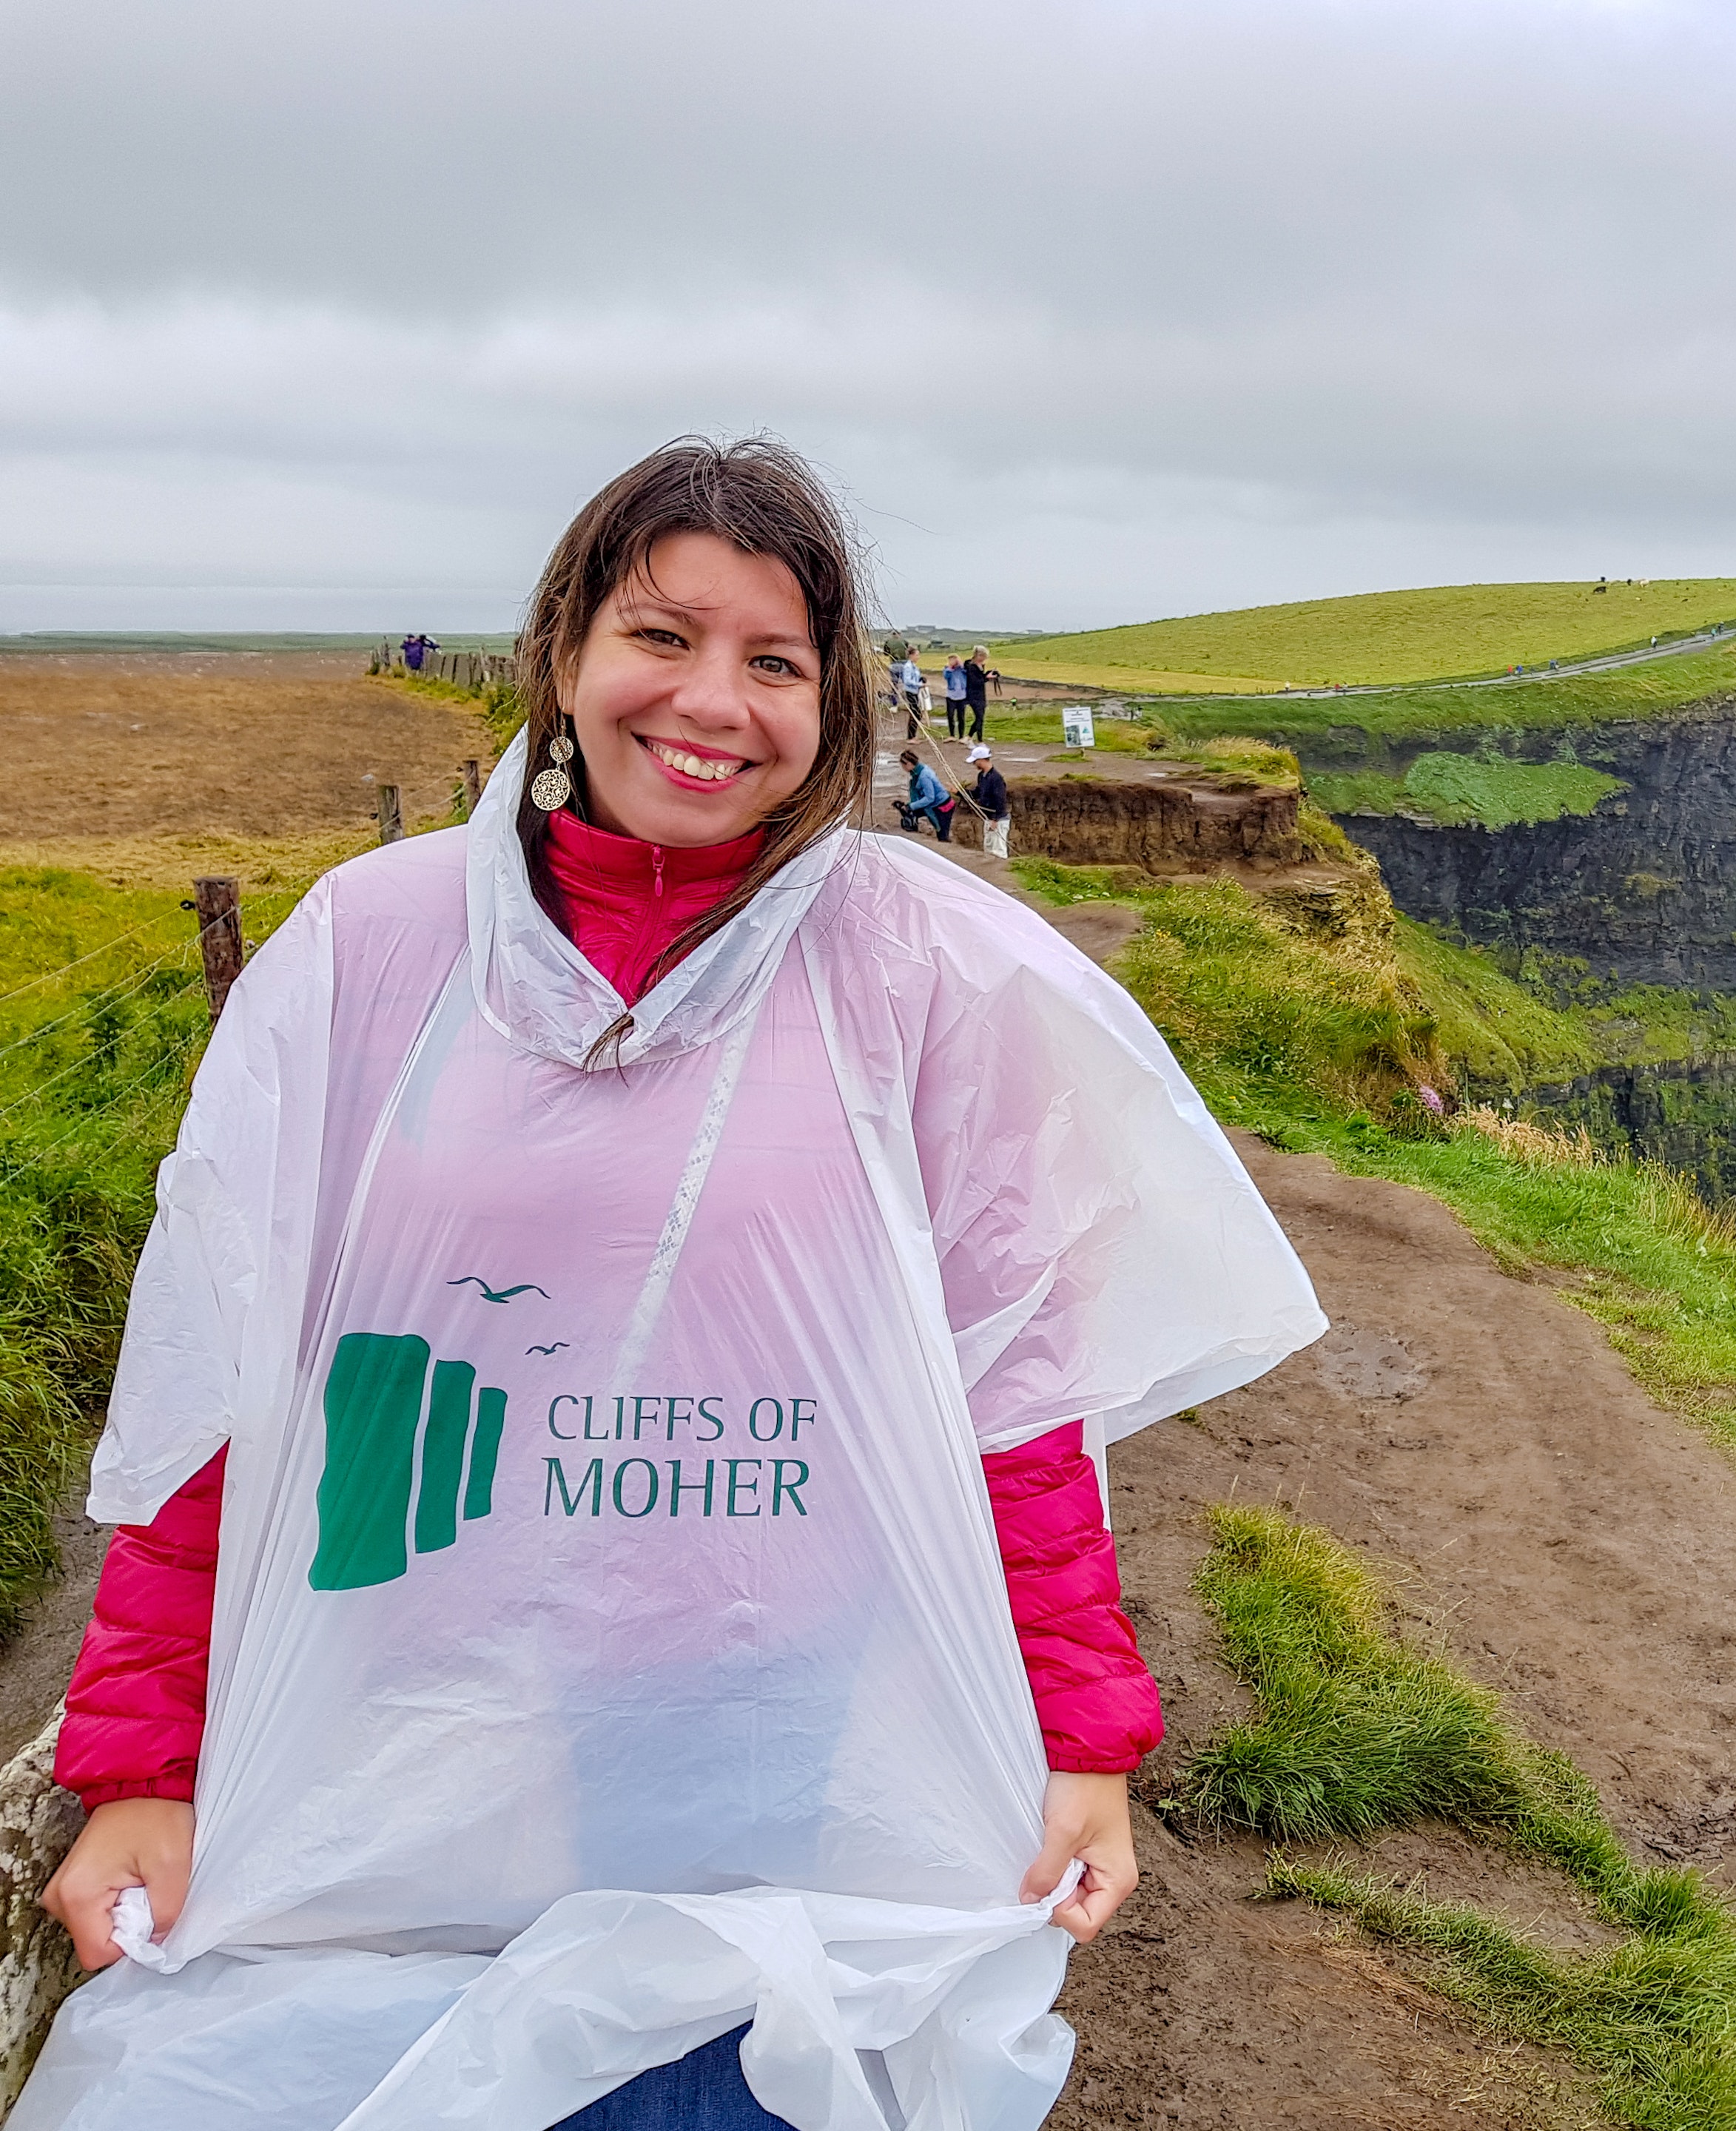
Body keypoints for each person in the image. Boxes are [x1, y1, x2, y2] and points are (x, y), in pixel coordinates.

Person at [23, 438, 1323, 2131]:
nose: (712, 699)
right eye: (663, 635)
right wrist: (139, 1761)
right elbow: (223, 1383)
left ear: (830, 703)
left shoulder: (914, 972)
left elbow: (1011, 1390)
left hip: (756, 1720)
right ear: (564, 654)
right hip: (416, 1702)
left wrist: (1082, 1737)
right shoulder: (371, 951)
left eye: (774, 660)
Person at [895, 747, 954, 840]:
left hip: (943, 805)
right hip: (936, 802)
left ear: (909, 764)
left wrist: (912, 806)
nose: (902, 768)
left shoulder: (924, 777)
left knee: (943, 836)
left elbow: (930, 798)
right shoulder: (919, 770)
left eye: (903, 765)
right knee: (910, 811)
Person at [967, 741, 1011, 859]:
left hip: (998, 821)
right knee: (989, 849)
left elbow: (1000, 799)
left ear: (981, 760)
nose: (974, 764)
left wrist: (995, 820)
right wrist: (959, 792)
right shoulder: (982, 776)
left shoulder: (996, 778)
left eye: (975, 761)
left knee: (998, 851)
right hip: (988, 818)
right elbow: (977, 793)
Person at [960, 646, 993, 741]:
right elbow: (975, 681)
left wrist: (988, 674)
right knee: (979, 717)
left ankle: (970, 736)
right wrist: (987, 677)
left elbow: (980, 679)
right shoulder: (970, 667)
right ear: (978, 655)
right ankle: (979, 739)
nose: (984, 659)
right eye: (983, 656)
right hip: (973, 695)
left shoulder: (980, 666)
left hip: (981, 694)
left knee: (980, 717)